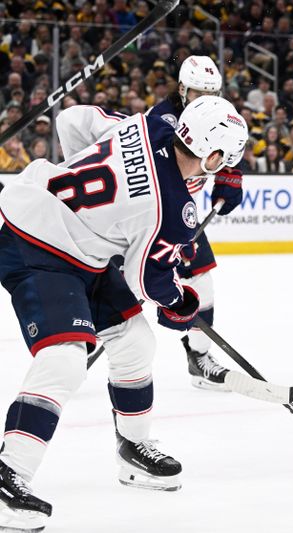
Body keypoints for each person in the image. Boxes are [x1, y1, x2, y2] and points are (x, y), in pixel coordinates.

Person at [0, 96, 249, 530]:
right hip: (36, 242)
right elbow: (148, 283)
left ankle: (133, 449)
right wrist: (181, 304)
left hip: (72, 239)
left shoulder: (151, 123)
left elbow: (74, 119)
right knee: (64, 358)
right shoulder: (174, 211)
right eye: (224, 160)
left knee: (135, 342)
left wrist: (100, 213)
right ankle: (8, 474)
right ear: (211, 157)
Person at [147, 55, 244, 391]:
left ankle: (199, 358)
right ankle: (84, 338)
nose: (206, 100)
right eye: (198, 93)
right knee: (123, 287)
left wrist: (231, 174)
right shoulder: (162, 119)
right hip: (150, 214)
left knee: (203, 284)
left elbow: (230, 144)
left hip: (183, 214)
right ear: (182, 89)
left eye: (212, 94)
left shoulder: (216, 114)